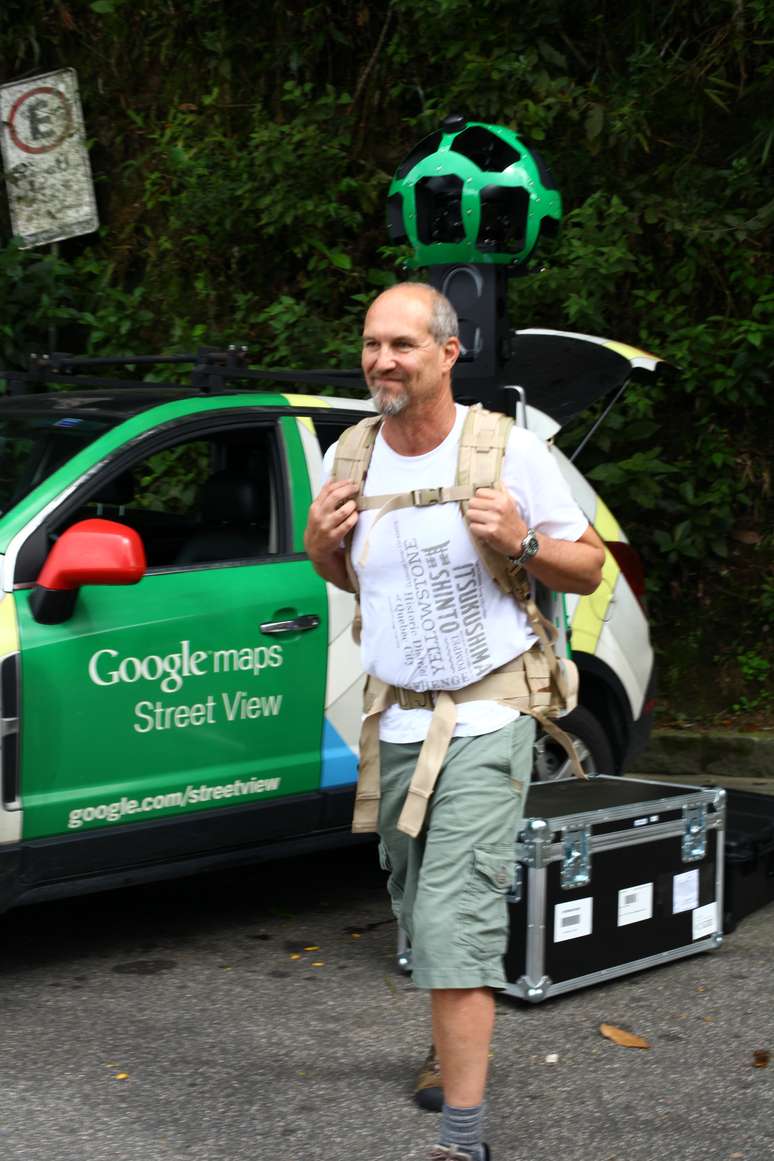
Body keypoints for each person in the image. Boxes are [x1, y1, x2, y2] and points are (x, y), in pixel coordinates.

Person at [304, 283, 604, 1161]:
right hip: (395, 720)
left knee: (451, 918)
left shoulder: (507, 451)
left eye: (402, 343)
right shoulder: (349, 454)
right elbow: (340, 570)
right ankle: (452, 1031)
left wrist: (519, 539)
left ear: (448, 351)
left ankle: (461, 1142)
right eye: (370, 343)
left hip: (489, 710)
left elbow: (586, 567)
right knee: (414, 903)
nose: (382, 360)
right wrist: (322, 540)